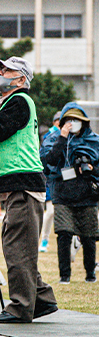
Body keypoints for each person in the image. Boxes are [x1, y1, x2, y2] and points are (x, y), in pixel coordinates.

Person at [0, 56, 59, 324]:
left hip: (23, 185)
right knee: (17, 245)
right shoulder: (6, 104)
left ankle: (21, 306)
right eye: (0, 68)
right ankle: (41, 297)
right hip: (15, 186)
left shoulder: (19, 101)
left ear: (21, 79)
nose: (0, 72)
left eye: (7, 69)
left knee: (18, 247)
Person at [40, 103, 98, 284]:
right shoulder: (53, 139)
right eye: (70, 120)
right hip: (62, 195)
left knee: (89, 237)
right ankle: (64, 275)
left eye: (78, 121)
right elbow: (48, 161)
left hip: (87, 195)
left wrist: (91, 168)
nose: (74, 124)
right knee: (63, 234)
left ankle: (90, 273)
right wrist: (63, 137)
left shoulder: (93, 140)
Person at [40, 110, 64, 253]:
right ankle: (44, 240)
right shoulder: (48, 136)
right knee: (50, 212)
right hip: (50, 179)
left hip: (64, 180)